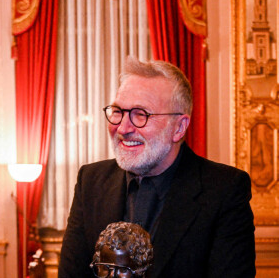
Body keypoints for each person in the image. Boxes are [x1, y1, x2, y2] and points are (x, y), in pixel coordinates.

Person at [58, 57, 256, 277]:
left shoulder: (224, 190)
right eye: (117, 111)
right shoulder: (90, 181)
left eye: (140, 115)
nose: (123, 128)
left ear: (179, 127)